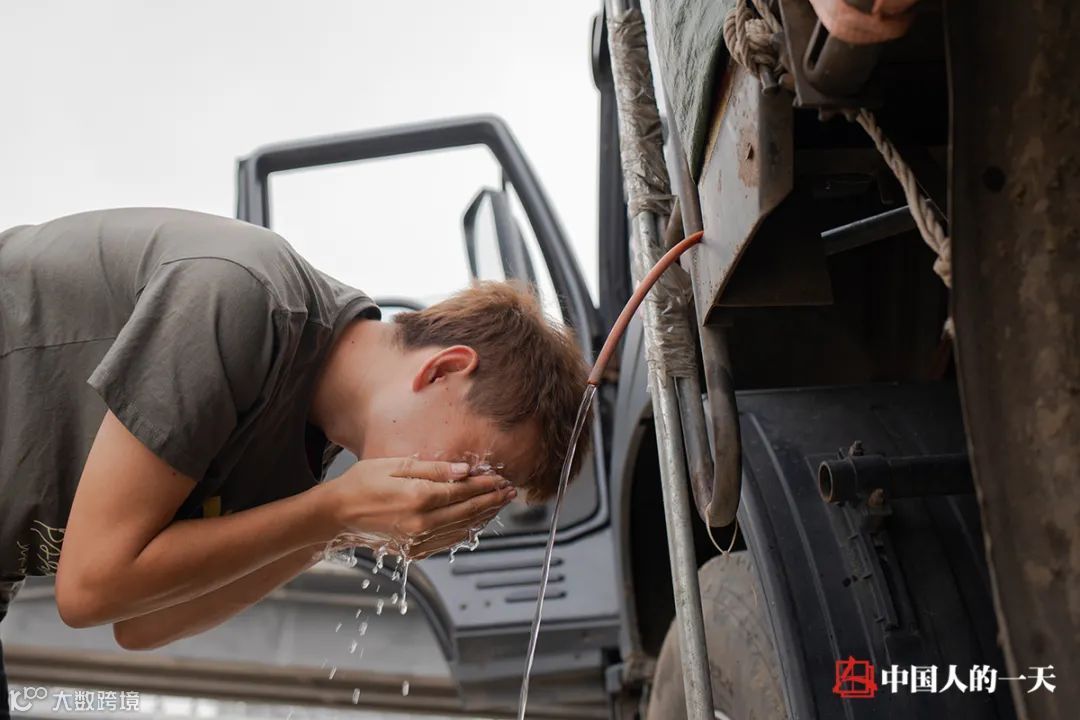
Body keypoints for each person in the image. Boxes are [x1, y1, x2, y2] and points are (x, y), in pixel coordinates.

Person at [0, 207, 590, 701]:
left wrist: (334, 530)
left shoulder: (305, 451)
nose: (463, 499)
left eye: (486, 501)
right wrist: (330, 514)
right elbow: (89, 589)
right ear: (445, 370)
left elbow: (140, 622)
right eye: (478, 468)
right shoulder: (240, 297)